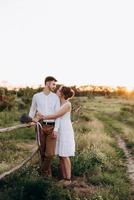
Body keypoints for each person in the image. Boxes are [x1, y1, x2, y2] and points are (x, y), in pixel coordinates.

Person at [38, 86, 75, 186]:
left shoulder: (67, 104)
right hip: (59, 129)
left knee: (65, 155)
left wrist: (43, 116)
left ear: (62, 94)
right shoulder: (58, 103)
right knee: (61, 155)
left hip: (65, 130)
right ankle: (64, 178)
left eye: (59, 90)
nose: (57, 91)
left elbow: (56, 115)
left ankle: (68, 179)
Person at [29, 76, 60, 177]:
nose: (55, 86)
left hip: (52, 127)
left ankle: (42, 172)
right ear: (47, 83)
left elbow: (58, 114)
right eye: (53, 84)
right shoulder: (36, 96)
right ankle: (46, 177)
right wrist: (30, 120)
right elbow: (32, 110)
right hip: (40, 126)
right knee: (42, 153)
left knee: (50, 154)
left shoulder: (55, 97)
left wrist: (56, 129)